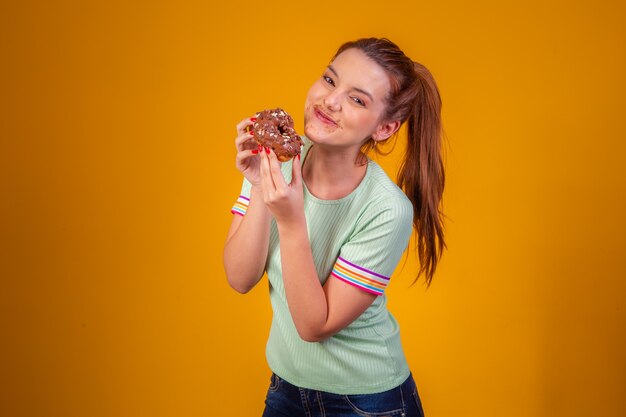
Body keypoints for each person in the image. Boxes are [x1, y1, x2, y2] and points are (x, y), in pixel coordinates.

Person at [223, 37, 446, 417]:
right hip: (286, 387)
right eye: (329, 80)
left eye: (357, 99)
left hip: (367, 403)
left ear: (385, 128)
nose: (331, 100)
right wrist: (261, 186)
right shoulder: (277, 159)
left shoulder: (386, 209)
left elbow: (315, 325)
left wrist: (292, 222)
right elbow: (240, 278)